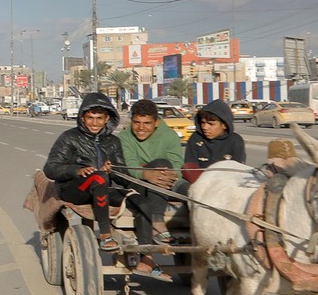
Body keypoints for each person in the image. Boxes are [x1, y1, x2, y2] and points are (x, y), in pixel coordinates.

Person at [44, 93, 126, 252]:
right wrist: (76, 170)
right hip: (74, 190)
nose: (94, 123)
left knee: (137, 195)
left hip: (103, 189)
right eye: (90, 118)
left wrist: (114, 170)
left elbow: (123, 175)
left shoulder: (114, 142)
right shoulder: (69, 137)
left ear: (107, 119)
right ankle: (105, 235)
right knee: (100, 178)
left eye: (99, 118)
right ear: (82, 117)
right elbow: (50, 168)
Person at [118, 99, 184, 276]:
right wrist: (147, 173)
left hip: (166, 183)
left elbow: (177, 165)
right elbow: (130, 164)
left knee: (192, 190)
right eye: (136, 123)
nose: (141, 128)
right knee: (145, 201)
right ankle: (154, 231)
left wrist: (166, 173)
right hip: (136, 185)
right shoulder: (124, 137)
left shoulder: (169, 136)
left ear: (156, 122)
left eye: (147, 123)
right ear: (131, 121)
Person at [182, 98, 245, 185]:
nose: (205, 127)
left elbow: (237, 171)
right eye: (203, 122)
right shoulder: (195, 138)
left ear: (224, 125)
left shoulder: (236, 141)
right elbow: (190, 167)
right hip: (198, 185)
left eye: (211, 124)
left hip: (225, 186)